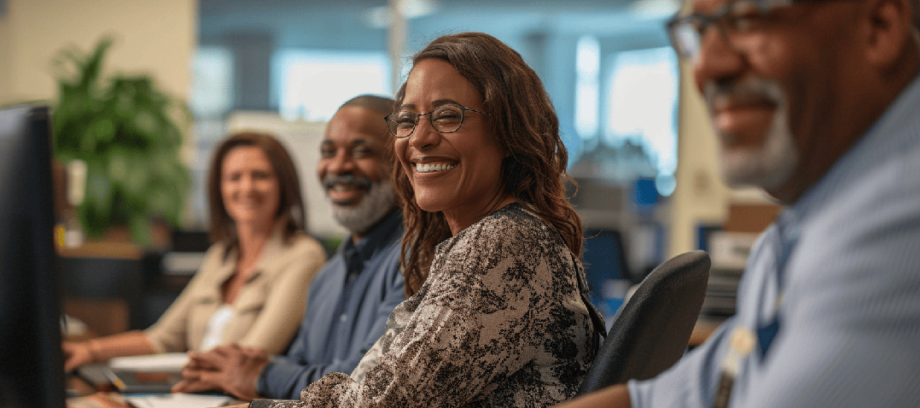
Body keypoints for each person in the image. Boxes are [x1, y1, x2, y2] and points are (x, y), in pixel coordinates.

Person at [557, 0, 920, 407]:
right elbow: (668, 397)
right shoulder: (792, 234)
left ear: (879, 25)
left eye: (747, 17)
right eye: (699, 28)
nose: (707, 67)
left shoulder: (900, 225)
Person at [240, 32, 606, 408]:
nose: (420, 138)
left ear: (508, 133)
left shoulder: (503, 243)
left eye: (448, 116)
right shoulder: (479, 243)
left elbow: (380, 405)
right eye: (407, 120)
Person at [170, 95, 407, 400]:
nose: (338, 165)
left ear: (403, 160)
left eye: (361, 151)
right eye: (328, 152)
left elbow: (366, 382)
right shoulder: (328, 275)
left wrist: (261, 374)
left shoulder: (414, 257)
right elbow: (295, 364)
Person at [62, 132, 327, 371]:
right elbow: (163, 338)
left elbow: (251, 354)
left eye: (260, 175)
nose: (246, 187)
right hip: (193, 391)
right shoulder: (220, 256)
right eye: (234, 177)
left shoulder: (303, 256)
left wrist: (179, 371)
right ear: (220, 188)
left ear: (283, 184)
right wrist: (90, 351)